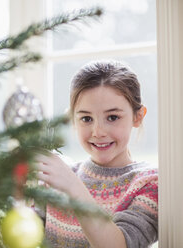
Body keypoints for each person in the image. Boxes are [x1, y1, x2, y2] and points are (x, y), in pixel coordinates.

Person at [35, 60, 158, 248]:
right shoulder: (56, 180)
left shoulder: (149, 183)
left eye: (113, 117)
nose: (98, 131)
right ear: (73, 120)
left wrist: (73, 187)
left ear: (138, 116)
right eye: (86, 118)